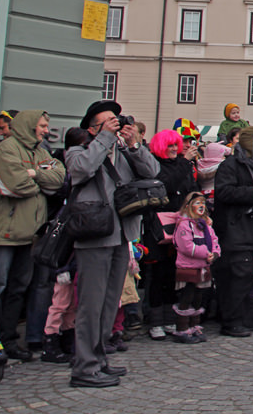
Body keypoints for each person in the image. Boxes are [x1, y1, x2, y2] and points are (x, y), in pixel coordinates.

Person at [66, 100, 158, 388]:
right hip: (95, 236)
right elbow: (81, 170)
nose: (115, 125)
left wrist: (134, 145)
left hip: (121, 235)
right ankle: (83, 368)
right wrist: (104, 137)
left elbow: (152, 171)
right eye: (108, 122)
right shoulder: (77, 151)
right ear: (93, 128)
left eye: (116, 121)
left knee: (108, 305)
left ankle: (99, 359)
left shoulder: (122, 153)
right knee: (91, 306)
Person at [0, 108, 65, 361]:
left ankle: (9, 339)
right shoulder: (5, 150)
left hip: (28, 235)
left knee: (18, 288)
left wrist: (35, 173)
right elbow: (15, 186)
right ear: (29, 125)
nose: (47, 131)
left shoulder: (40, 153)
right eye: (42, 126)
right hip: (2, 234)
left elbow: (57, 178)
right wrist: (40, 179)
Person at [212, 125, 253, 338]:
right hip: (234, 228)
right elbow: (223, 192)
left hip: (252, 227)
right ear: (251, 142)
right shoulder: (230, 165)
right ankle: (231, 321)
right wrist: (252, 192)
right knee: (237, 276)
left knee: (248, 276)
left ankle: (244, 318)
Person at [143, 129, 197, 341]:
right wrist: (185, 163)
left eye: (177, 145)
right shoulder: (156, 166)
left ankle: (169, 318)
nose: (175, 149)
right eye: (170, 146)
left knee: (173, 275)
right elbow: (168, 185)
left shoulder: (182, 166)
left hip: (180, 226)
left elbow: (190, 190)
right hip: (159, 228)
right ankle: (155, 321)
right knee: (157, 276)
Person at [171, 192, 219, 344]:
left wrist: (215, 253)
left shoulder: (205, 225)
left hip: (203, 267)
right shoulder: (184, 225)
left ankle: (194, 326)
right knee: (187, 296)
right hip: (189, 267)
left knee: (199, 297)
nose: (201, 206)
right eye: (197, 203)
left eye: (203, 203)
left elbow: (214, 240)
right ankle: (182, 328)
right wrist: (206, 252)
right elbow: (186, 246)